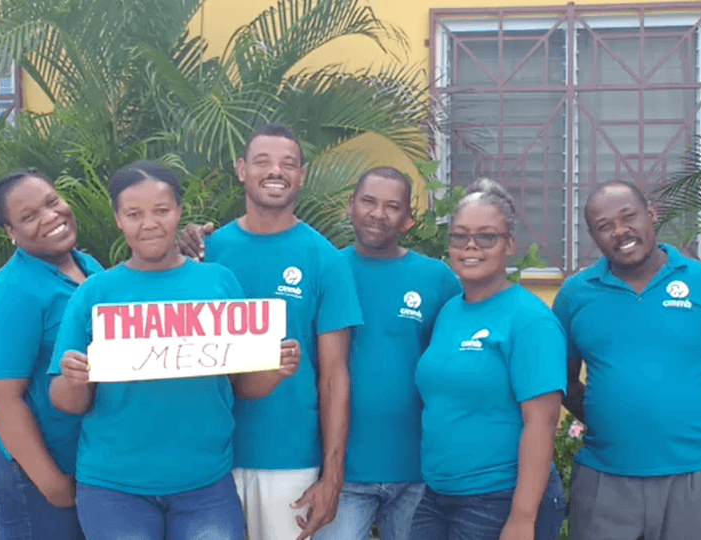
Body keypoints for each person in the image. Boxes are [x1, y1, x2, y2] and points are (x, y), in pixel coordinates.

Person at [47, 161, 301, 540]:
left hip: (205, 483)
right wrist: (74, 378)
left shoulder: (219, 282)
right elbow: (67, 401)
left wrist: (275, 369)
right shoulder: (95, 294)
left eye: (161, 211)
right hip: (114, 487)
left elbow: (242, 386)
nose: (149, 224)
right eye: (134, 214)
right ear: (118, 219)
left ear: (180, 212)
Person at [552, 181, 701, 540]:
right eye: (604, 226)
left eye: (628, 217)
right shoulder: (576, 294)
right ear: (593, 235)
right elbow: (561, 378)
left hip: (694, 479)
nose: (620, 231)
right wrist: (603, 417)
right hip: (605, 478)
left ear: (651, 213)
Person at [178, 124, 363, 540]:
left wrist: (332, 477)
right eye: (262, 161)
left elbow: (334, 375)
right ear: (241, 169)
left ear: (302, 176)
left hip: (290, 460)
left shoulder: (325, 261)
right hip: (209, 460)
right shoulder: (205, 253)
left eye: (288, 164)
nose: (275, 171)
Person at [409, 178, 567, 540]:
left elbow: (542, 423)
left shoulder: (529, 319)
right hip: (436, 495)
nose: (470, 246)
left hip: (498, 497)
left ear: (510, 243)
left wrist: (523, 518)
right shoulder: (449, 311)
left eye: (486, 237)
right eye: (460, 236)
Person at [313, 167, 462, 540]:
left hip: (417, 471)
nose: (378, 214)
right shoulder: (327, 269)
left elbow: (457, 362)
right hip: (343, 475)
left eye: (392, 206)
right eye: (368, 201)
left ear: (408, 220)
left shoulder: (436, 278)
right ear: (350, 206)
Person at [0, 170, 103, 540]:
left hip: (77, 453)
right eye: (29, 217)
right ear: (10, 231)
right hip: (30, 463)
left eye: (52, 201)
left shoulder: (87, 266)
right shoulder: (13, 293)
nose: (50, 217)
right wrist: (51, 483)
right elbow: (2, 398)